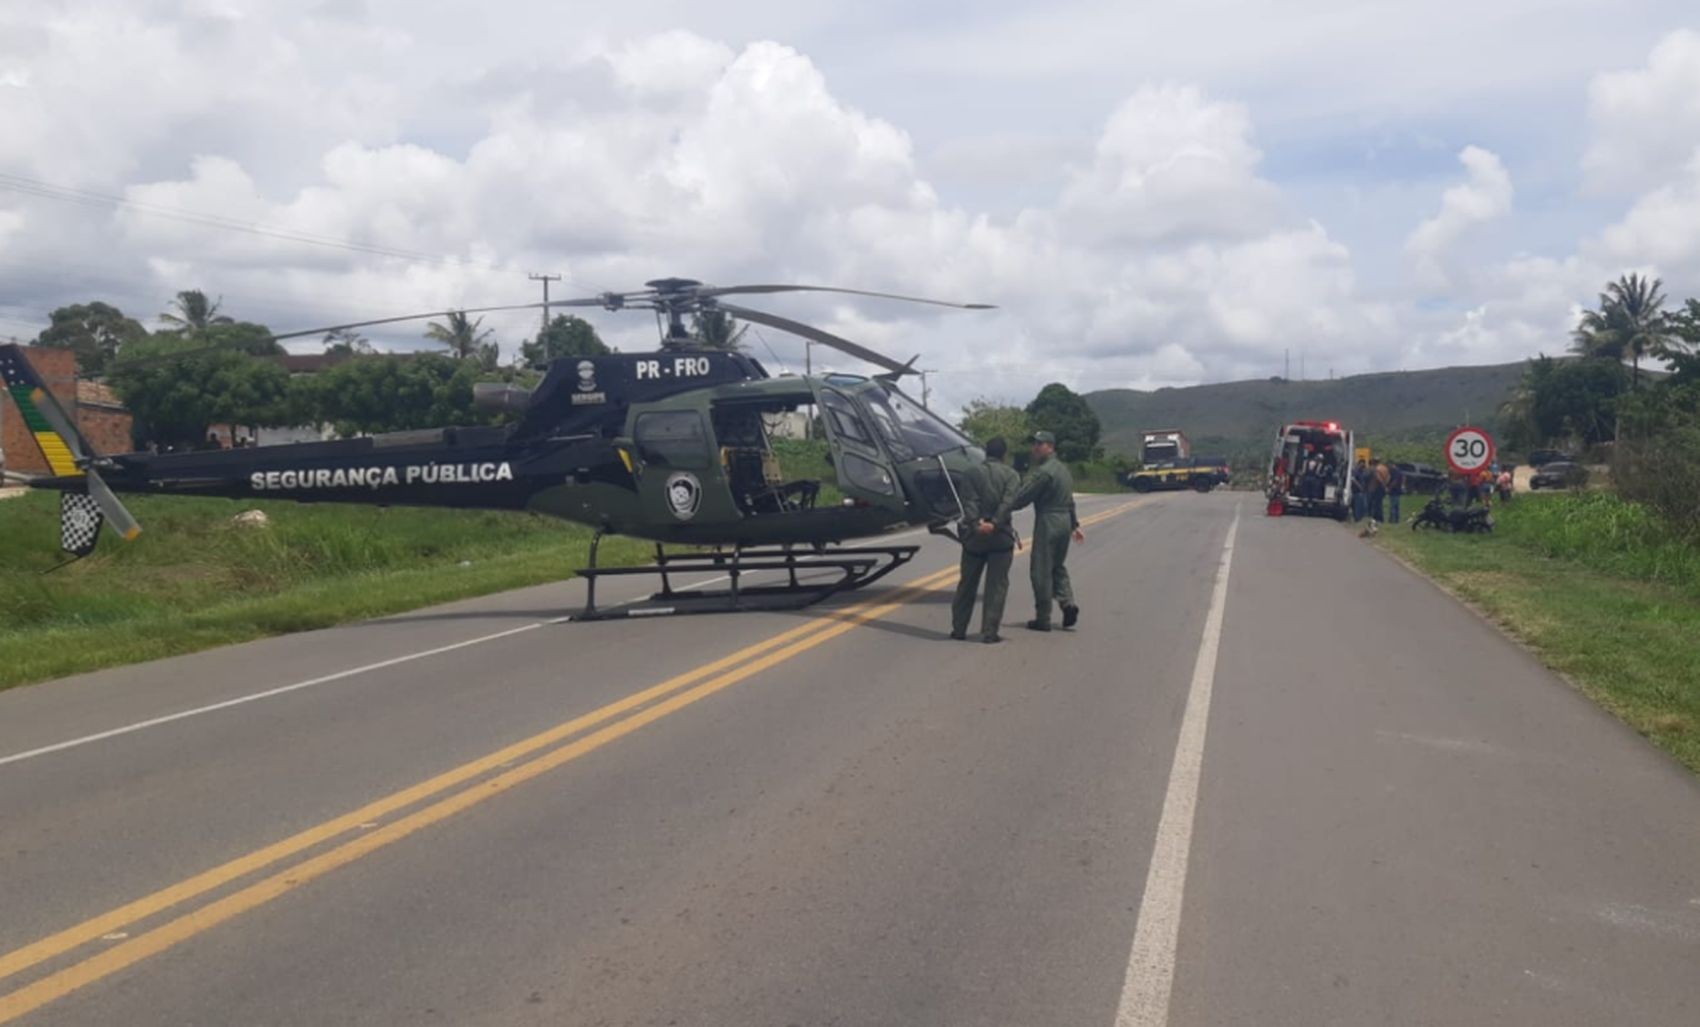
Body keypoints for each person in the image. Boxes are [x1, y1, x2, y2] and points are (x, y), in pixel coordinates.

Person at [995, 430, 1084, 632]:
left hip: (1048, 520)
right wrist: (1074, 524)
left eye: (1039, 444)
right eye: (1034, 444)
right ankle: (1068, 603)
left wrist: (1001, 510)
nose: (1035, 448)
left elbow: (1022, 497)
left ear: (1050, 447)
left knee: (1041, 570)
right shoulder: (1063, 470)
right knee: (1057, 566)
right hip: (1063, 522)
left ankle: (1043, 618)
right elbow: (1070, 501)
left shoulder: (1044, 472)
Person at [950, 437, 1020, 644]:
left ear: (985, 452)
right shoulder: (1012, 475)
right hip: (1001, 538)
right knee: (996, 586)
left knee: (967, 584)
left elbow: (969, 501)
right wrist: (995, 523)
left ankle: (959, 629)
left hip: (974, 538)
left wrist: (976, 524)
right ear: (1004, 455)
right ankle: (989, 632)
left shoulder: (971, 473)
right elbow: (1008, 502)